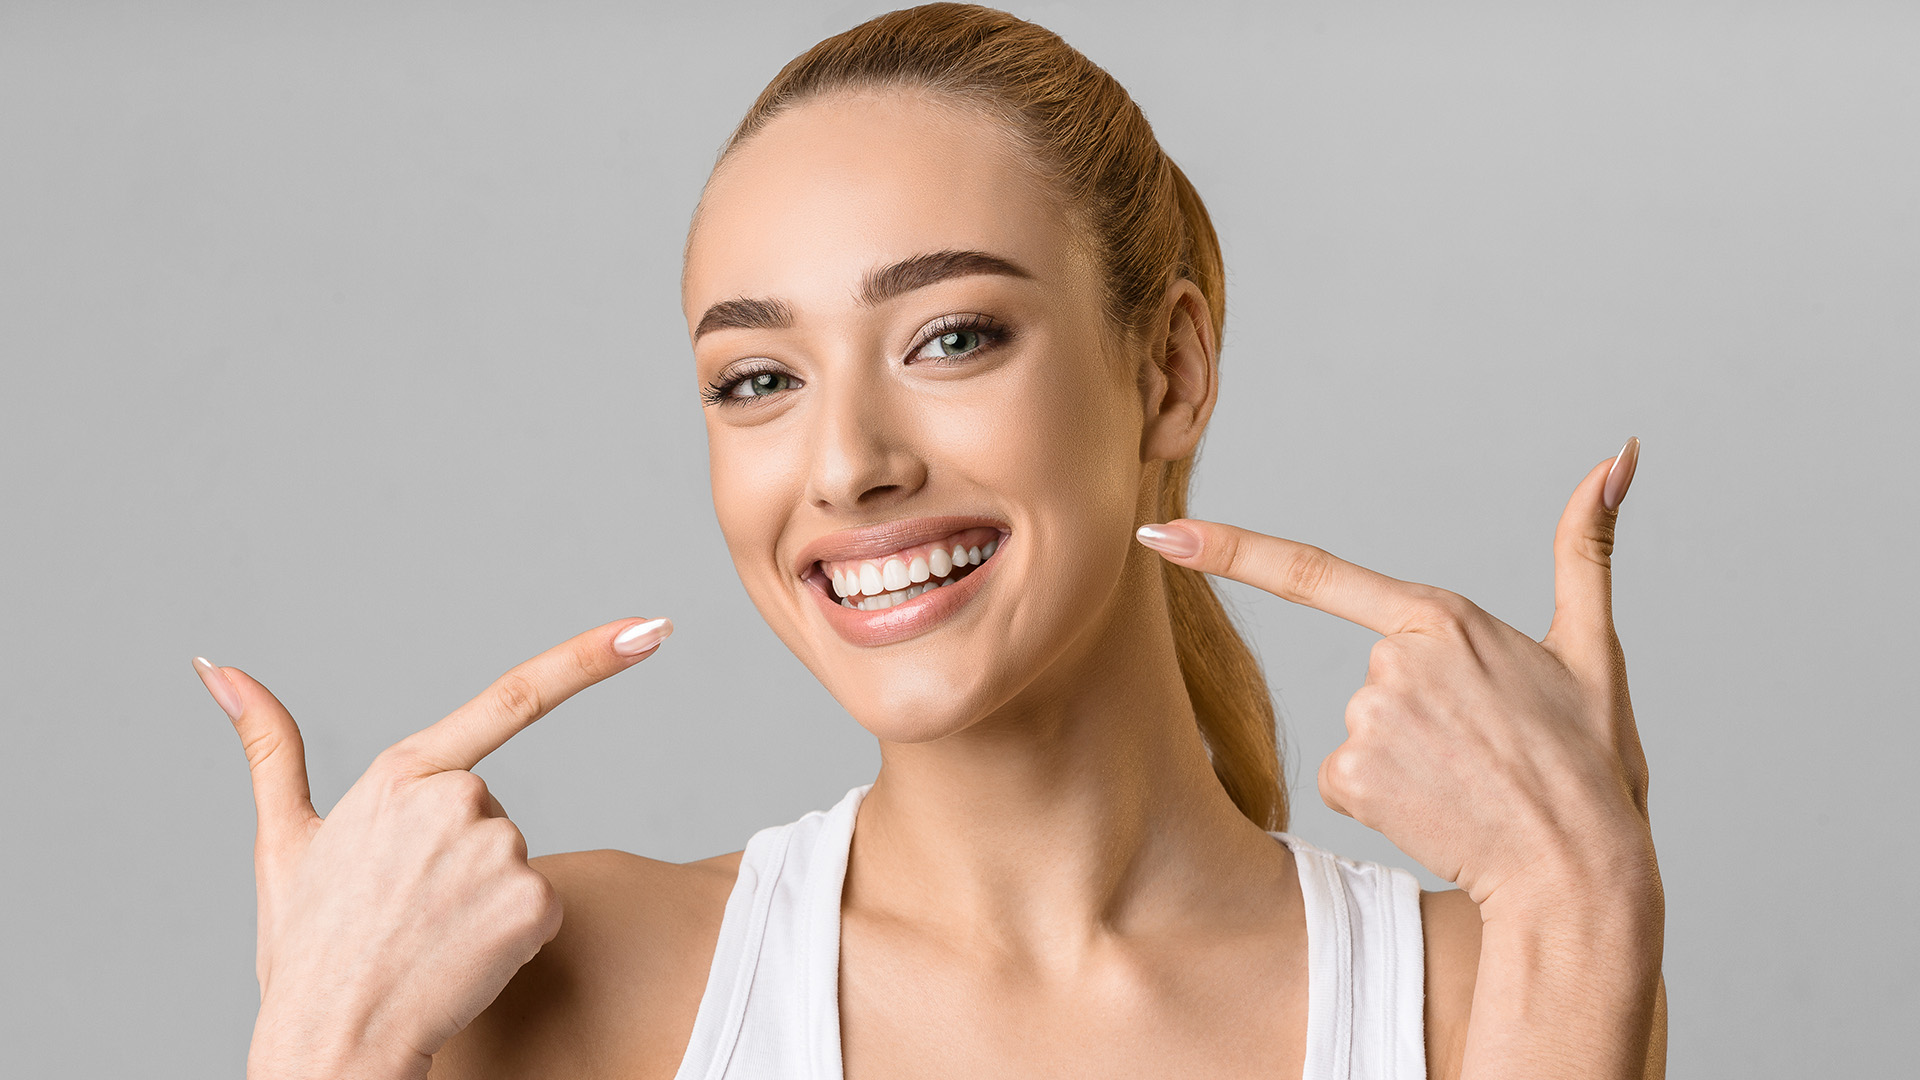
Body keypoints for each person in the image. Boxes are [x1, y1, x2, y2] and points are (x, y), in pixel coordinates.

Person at [194, 5, 1666, 1077]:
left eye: (951, 337)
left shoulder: (1492, 990)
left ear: (1168, 369)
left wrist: (1583, 895)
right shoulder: (554, 985)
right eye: (758, 379)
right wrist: (324, 1046)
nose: (846, 466)